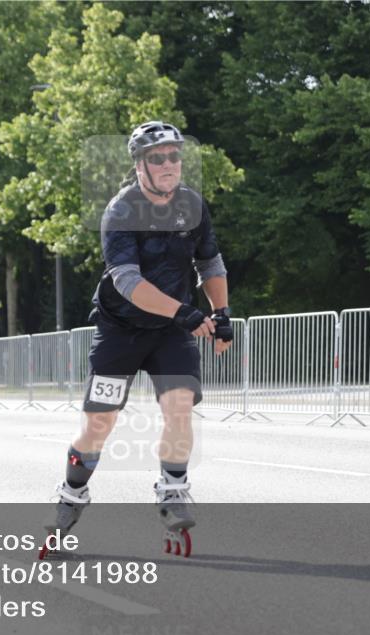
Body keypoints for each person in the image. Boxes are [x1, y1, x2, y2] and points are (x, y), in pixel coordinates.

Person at [41, 121, 233, 558]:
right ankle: (71, 494)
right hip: (121, 330)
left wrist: (221, 315)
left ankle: (173, 490)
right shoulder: (121, 211)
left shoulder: (192, 205)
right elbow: (127, 281)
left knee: (179, 406)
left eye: (174, 156)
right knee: (98, 425)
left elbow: (210, 264)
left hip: (169, 333)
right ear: (140, 165)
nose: (168, 164)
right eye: (157, 158)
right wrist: (186, 313)